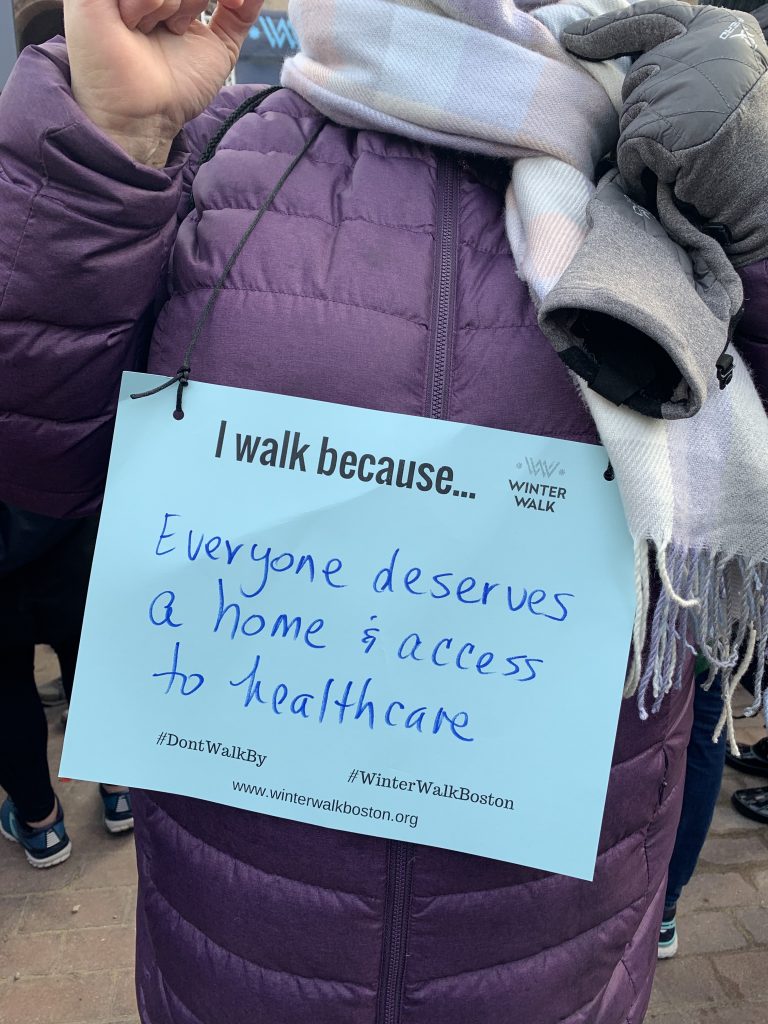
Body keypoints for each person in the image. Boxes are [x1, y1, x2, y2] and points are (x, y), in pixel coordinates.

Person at [0, 1, 767, 1020]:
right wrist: (104, 142)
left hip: (555, 969)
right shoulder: (215, 159)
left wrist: (757, 238)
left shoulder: (677, 186)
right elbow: (36, 470)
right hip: (234, 962)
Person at [0, 506, 134, 868]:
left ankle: (41, 823)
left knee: (6, 686)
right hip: (66, 525)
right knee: (90, 655)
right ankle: (119, 789)